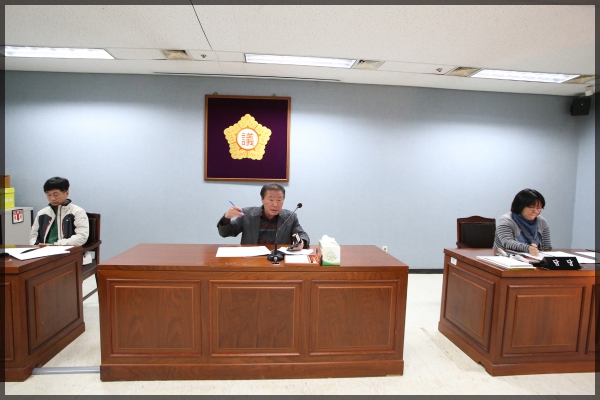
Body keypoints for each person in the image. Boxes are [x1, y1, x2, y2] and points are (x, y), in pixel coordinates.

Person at [217, 183, 310, 249]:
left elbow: (303, 235)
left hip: (279, 262)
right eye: (271, 200)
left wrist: (302, 242)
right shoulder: (247, 214)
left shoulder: (290, 217)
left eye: (279, 200)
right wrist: (226, 218)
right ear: (262, 199)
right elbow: (225, 233)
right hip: (252, 262)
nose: (275, 204)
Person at [29, 177, 91, 263]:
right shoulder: (42, 213)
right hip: (44, 254)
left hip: (69, 254)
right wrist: (36, 246)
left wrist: (56, 245)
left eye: (56, 194)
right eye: (49, 195)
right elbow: (33, 235)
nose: (52, 198)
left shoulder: (77, 212)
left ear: (67, 193)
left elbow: (81, 236)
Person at [493, 188, 551, 256]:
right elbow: (507, 243)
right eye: (532, 207)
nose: (535, 211)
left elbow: (547, 247)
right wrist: (528, 248)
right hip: (506, 258)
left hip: (534, 258)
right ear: (521, 206)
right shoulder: (506, 220)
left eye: (539, 208)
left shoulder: (541, 221)